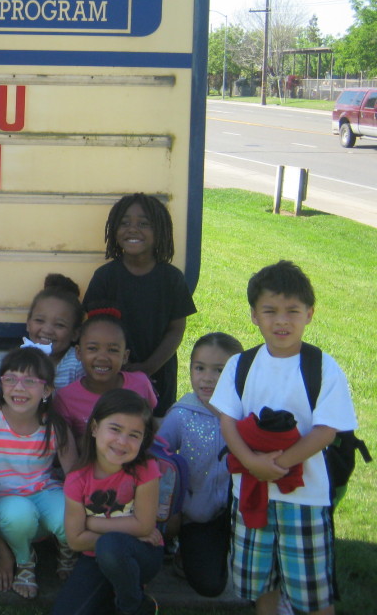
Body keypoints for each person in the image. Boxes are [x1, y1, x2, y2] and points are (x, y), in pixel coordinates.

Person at [210, 261, 357, 615]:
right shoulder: (240, 365)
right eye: (270, 311)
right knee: (261, 583)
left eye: (292, 311)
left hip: (305, 498)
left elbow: (326, 430)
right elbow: (228, 420)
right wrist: (251, 464)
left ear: (310, 314)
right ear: (253, 315)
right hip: (250, 494)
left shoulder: (322, 367)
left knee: (311, 590)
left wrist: (275, 465)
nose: (281, 321)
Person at [0, 347, 77, 599]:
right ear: (1, 384)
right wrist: (0, 549)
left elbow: (77, 479)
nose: (19, 388)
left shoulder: (54, 425)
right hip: (5, 510)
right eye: (10, 379)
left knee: (68, 512)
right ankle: (25, 561)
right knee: (18, 514)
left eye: (29, 381)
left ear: (47, 390)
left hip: (44, 495)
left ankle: (67, 548)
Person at [51, 389, 163, 615]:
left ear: (143, 440)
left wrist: (91, 523)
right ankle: (114, 595)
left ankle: (132, 606)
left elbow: (144, 526)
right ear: (94, 428)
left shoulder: (145, 469)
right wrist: (126, 529)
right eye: (115, 429)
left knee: (110, 546)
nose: (122, 441)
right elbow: (75, 541)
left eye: (134, 435)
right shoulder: (77, 479)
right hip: (95, 558)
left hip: (142, 554)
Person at [83, 193, 197, 416]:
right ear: (114, 230)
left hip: (158, 375)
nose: (132, 229)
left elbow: (176, 329)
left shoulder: (172, 278)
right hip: (110, 375)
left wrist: (149, 367)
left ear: (160, 231)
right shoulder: (105, 277)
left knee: (152, 430)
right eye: (124, 223)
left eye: (144, 224)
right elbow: (93, 330)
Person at [158, 332, 243, 598]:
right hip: (195, 516)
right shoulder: (182, 414)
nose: (207, 378)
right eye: (200, 368)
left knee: (247, 576)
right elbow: (158, 458)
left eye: (219, 370)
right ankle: (184, 548)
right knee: (210, 585)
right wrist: (170, 512)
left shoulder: (247, 413)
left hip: (239, 513)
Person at [54, 308, 157, 439]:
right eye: (92, 348)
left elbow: (150, 429)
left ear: (125, 356)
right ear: (79, 353)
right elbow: (66, 446)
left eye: (113, 350)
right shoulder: (66, 398)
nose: (102, 357)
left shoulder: (140, 383)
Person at [23, 273, 86, 388]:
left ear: (75, 333)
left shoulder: (77, 364)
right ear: (28, 324)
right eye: (39, 320)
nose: (47, 330)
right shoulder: (21, 359)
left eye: (59, 325)